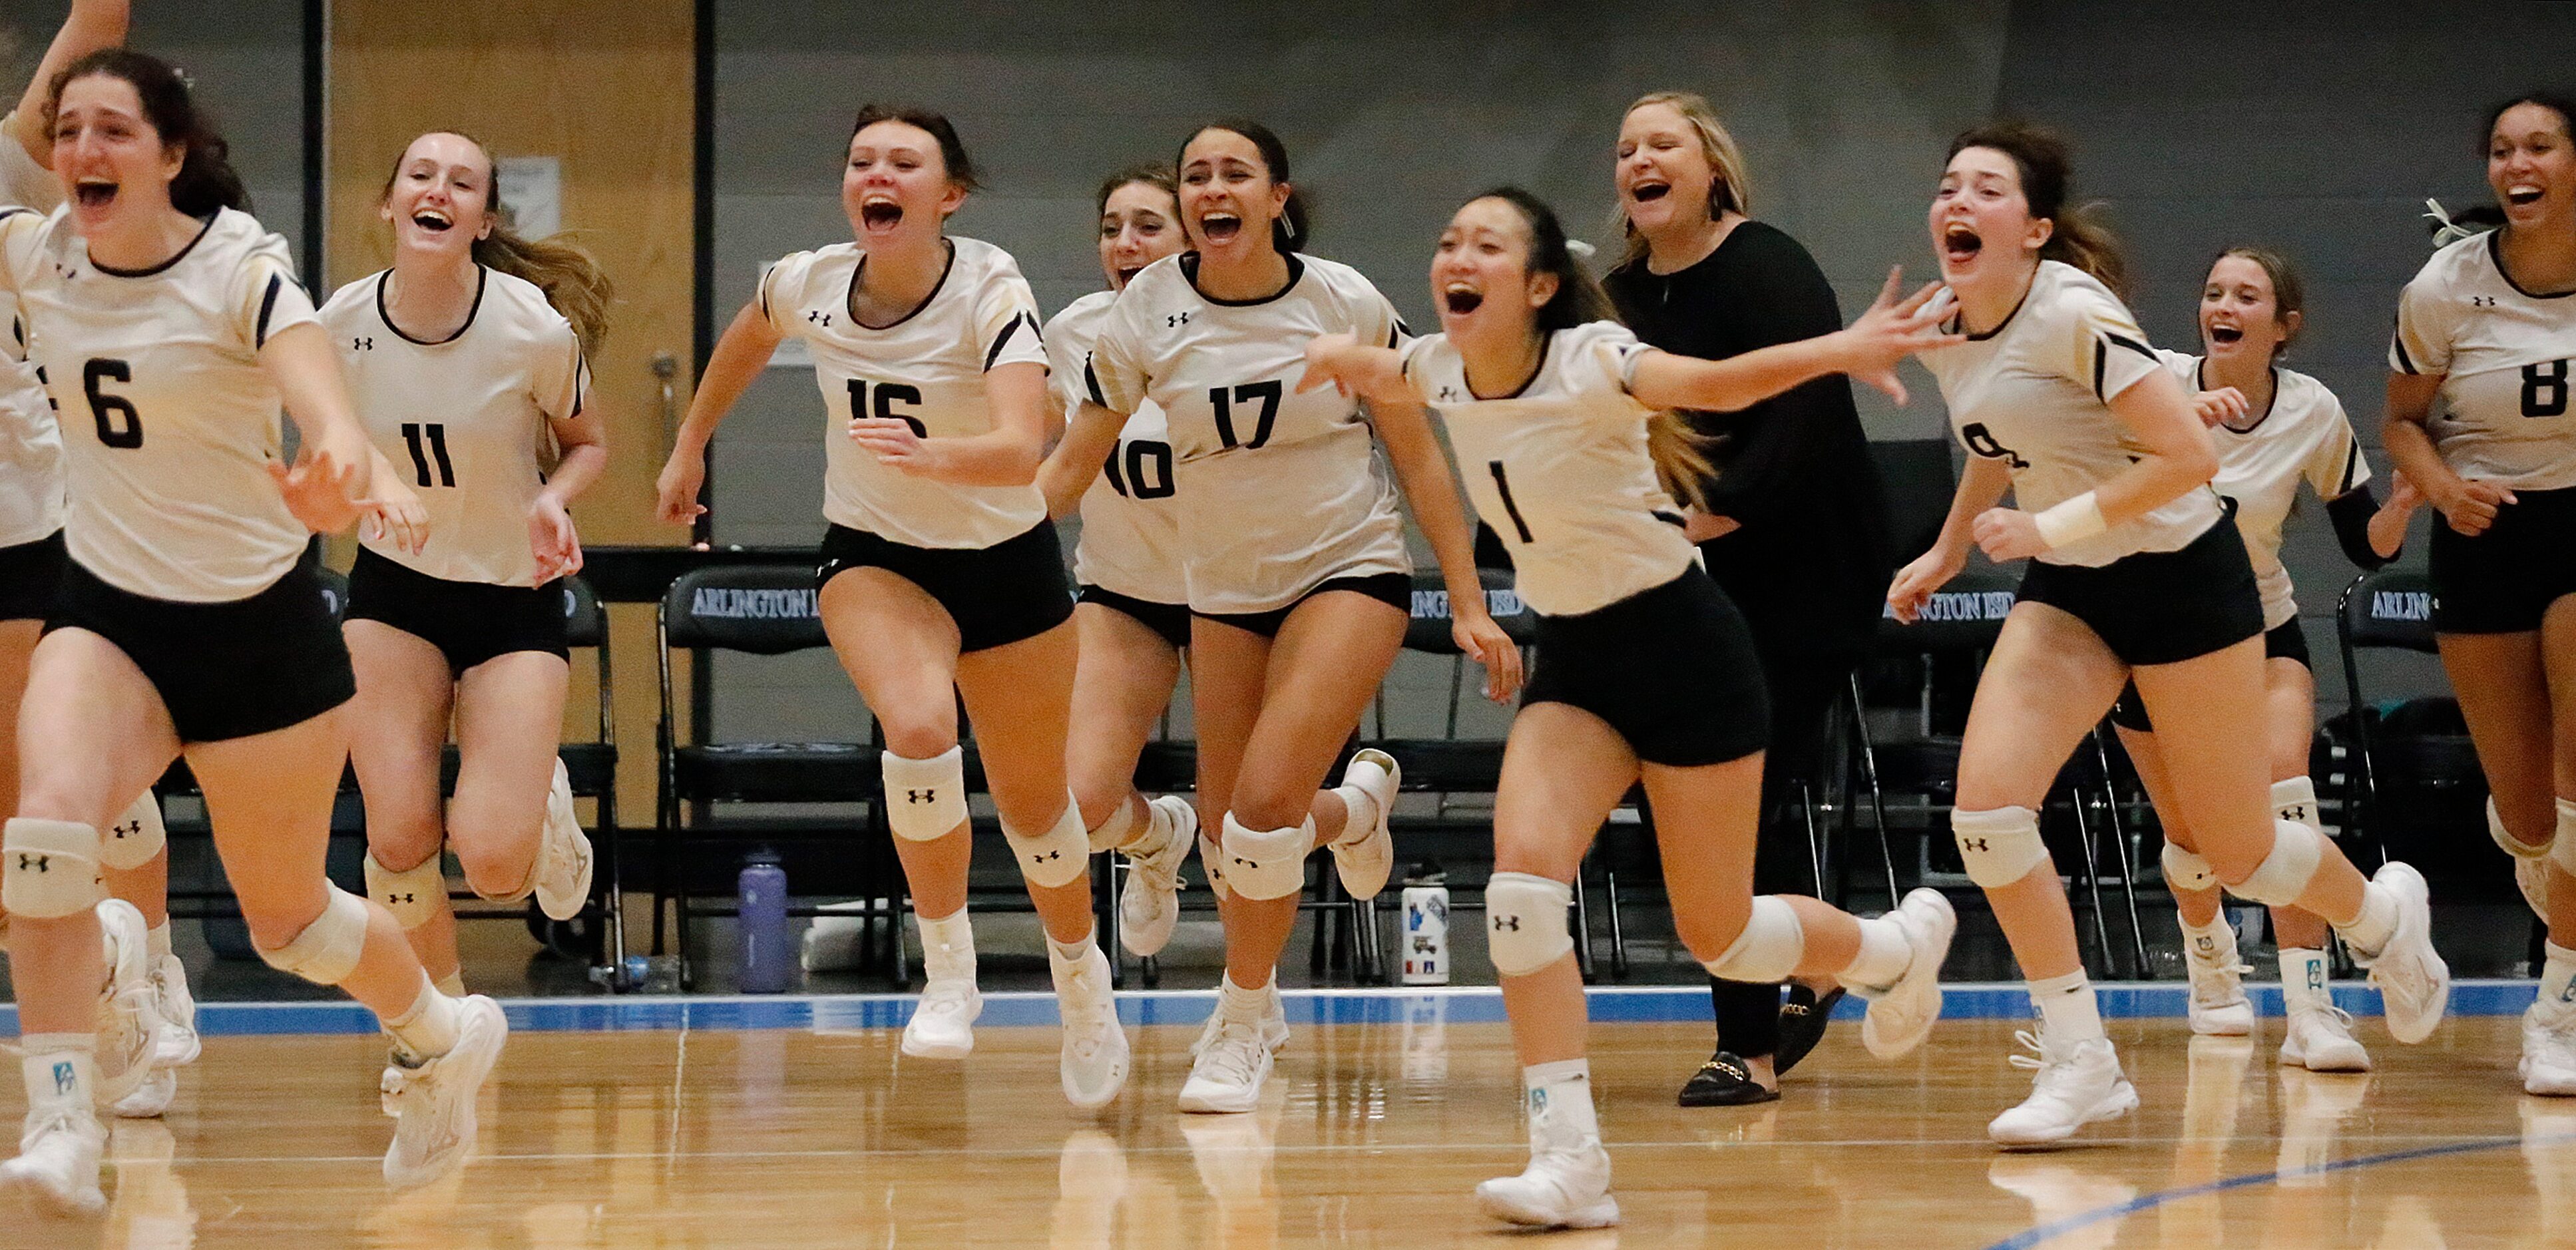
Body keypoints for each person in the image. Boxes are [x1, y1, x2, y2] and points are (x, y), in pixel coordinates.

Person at [1299, 187, 1959, 1229]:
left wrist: (1842, 348)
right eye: (1446, 240)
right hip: (1578, 664)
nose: (1456, 257)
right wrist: (1339, 358)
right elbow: (1391, 369)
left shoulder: (1595, 358)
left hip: (1688, 656)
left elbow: (1715, 379)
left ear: (1541, 284)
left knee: (1725, 936)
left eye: (1485, 245)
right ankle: (1569, 1161)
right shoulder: (1440, 364)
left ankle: (1887, 952)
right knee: (1521, 891)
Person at [0, 49, 501, 1212]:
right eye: (68, 130)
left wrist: (341, 464)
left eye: (114, 130)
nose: (83, 150)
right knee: (43, 832)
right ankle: (62, 1113)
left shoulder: (240, 264)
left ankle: (440, 1030)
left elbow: (320, 399)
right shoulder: (36, 253)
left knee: (290, 919)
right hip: (108, 616)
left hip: (255, 629)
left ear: (172, 155)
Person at [1889, 121, 2447, 1147]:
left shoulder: (2072, 310)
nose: (1956, 201)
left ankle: (2376, 918)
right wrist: (1946, 547)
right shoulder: (1938, 321)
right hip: (2072, 589)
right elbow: (1993, 440)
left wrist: (2045, 523)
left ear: (2036, 228)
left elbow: (2189, 455)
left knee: (2234, 849)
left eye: (1985, 188)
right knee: (1987, 815)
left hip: (2185, 581)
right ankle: (2079, 1056)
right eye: (1946, 185)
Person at [654, 104, 1130, 1108]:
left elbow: (1017, 449)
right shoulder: (810, 279)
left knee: (1039, 808)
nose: (878, 173)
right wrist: (692, 441)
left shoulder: (990, 286)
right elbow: (750, 331)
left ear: (946, 195)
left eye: (904, 162)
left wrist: (936, 456)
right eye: (863, 159)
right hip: (875, 556)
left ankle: (1080, 976)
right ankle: (947, 972)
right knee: (916, 724)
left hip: (1005, 561)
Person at [1054, 118, 1516, 1112]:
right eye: (1195, 176)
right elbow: (1067, 468)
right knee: (1229, 837)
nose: (1211, 189)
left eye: (1235, 173)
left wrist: (1469, 599)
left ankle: (1240, 1015)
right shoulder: (1144, 312)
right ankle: (1353, 810)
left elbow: (1419, 452)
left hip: (1345, 567)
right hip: (1221, 589)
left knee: (1260, 813)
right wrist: (961, 531)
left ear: (1276, 197)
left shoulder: (1340, 299)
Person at [1600, 89, 1896, 1106]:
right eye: (1625, 148)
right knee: (1687, 793)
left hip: (1805, 562)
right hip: (1690, 571)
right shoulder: (1619, 298)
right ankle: (1828, 959)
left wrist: (1717, 509)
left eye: (1662, 142)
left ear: (1710, 166)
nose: (1639, 158)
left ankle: (1747, 1044)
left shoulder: (1767, 263)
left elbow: (1807, 411)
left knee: (1746, 790)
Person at [2109, 246, 2421, 1073]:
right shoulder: (2156, 384)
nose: (2225, 304)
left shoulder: (2313, 411)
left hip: (2260, 629)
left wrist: (2405, 504)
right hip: (2156, 636)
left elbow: (2365, 543)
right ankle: (2210, 961)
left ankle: (2312, 1007)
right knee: (2193, 841)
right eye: (2214, 290)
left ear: (2283, 327)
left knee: (2288, 794)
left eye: (2248, 295)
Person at [325, 130, 608, 996]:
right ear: (390, 201)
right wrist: (367, 484)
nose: (437, 189)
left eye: (461, 182)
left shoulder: (530, 327)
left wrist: (552, 499)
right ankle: (438, 1022)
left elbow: (589, 443)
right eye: (420, 174)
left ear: (483, 218)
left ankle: (546, 814)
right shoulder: (339, 323)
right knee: (399, 838)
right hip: (393, 595)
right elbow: (330, 448)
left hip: (511, 598)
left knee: (491, 863)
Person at [0, 0, 199, 1126]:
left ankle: (142, 967)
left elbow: (102, 13)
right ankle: (124, 968)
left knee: (55, 795)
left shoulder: (25, 150)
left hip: (32, 523)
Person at [2384, 93, 2576, 1094]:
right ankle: (2534, 847)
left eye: (2538, 144)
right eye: (2500, 148)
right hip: (2486, 531)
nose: (2517, 162)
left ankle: (2557, 1006)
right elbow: (2402, 421)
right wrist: (2444, 486)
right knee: (2531, 816)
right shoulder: (2444, 284)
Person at [1036, 163, 1197, 957]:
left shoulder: (1251, 325)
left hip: (1244, 596)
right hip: (1125, 591)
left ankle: (1357, 807)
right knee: (1081, 803)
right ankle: (1160, 836)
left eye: (1147, 226)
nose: (1125, 245)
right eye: (1111, 228)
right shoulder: (1073, 332)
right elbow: (1038, 455)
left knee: (1258, 825)